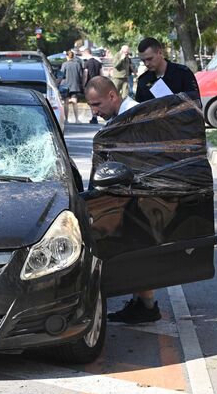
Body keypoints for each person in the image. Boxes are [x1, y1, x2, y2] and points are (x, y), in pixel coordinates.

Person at [84, 75, 161, 324]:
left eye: (97, 105)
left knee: (137, 252)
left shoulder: (133, 117)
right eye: (91, 106)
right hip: (128, 194)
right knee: (134, 252)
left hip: (140, 195)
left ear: (112, 96)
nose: (94, 112)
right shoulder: (122, 117)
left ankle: (148, 307)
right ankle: (143, 304)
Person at [135, 37, 200, 103]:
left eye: (150, 59)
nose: (146, 63)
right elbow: (138, 110)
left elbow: (196, 104)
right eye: (143, 60)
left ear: (160, 52)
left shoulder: (183, 74)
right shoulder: (143, 81)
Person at [59, 50, 84, 123]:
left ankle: (66, 119)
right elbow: (81, 75)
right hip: (75, 85)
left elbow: (61, 75)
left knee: (66, 102)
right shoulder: (77, 64)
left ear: (67, 56)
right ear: (73, 56)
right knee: (75, 102)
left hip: (66, 85)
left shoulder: (64, 64)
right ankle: (76, 119)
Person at [82, 47, 103, 124]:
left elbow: (85, 75)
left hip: (90, 84)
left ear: (86, 53)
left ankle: (93, 116)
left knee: (91, 101)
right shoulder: (98, 62)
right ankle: (96, 116)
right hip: (97, 83)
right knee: (97, 100)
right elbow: (101, 74)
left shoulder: (86, 63)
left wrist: (84, 85)